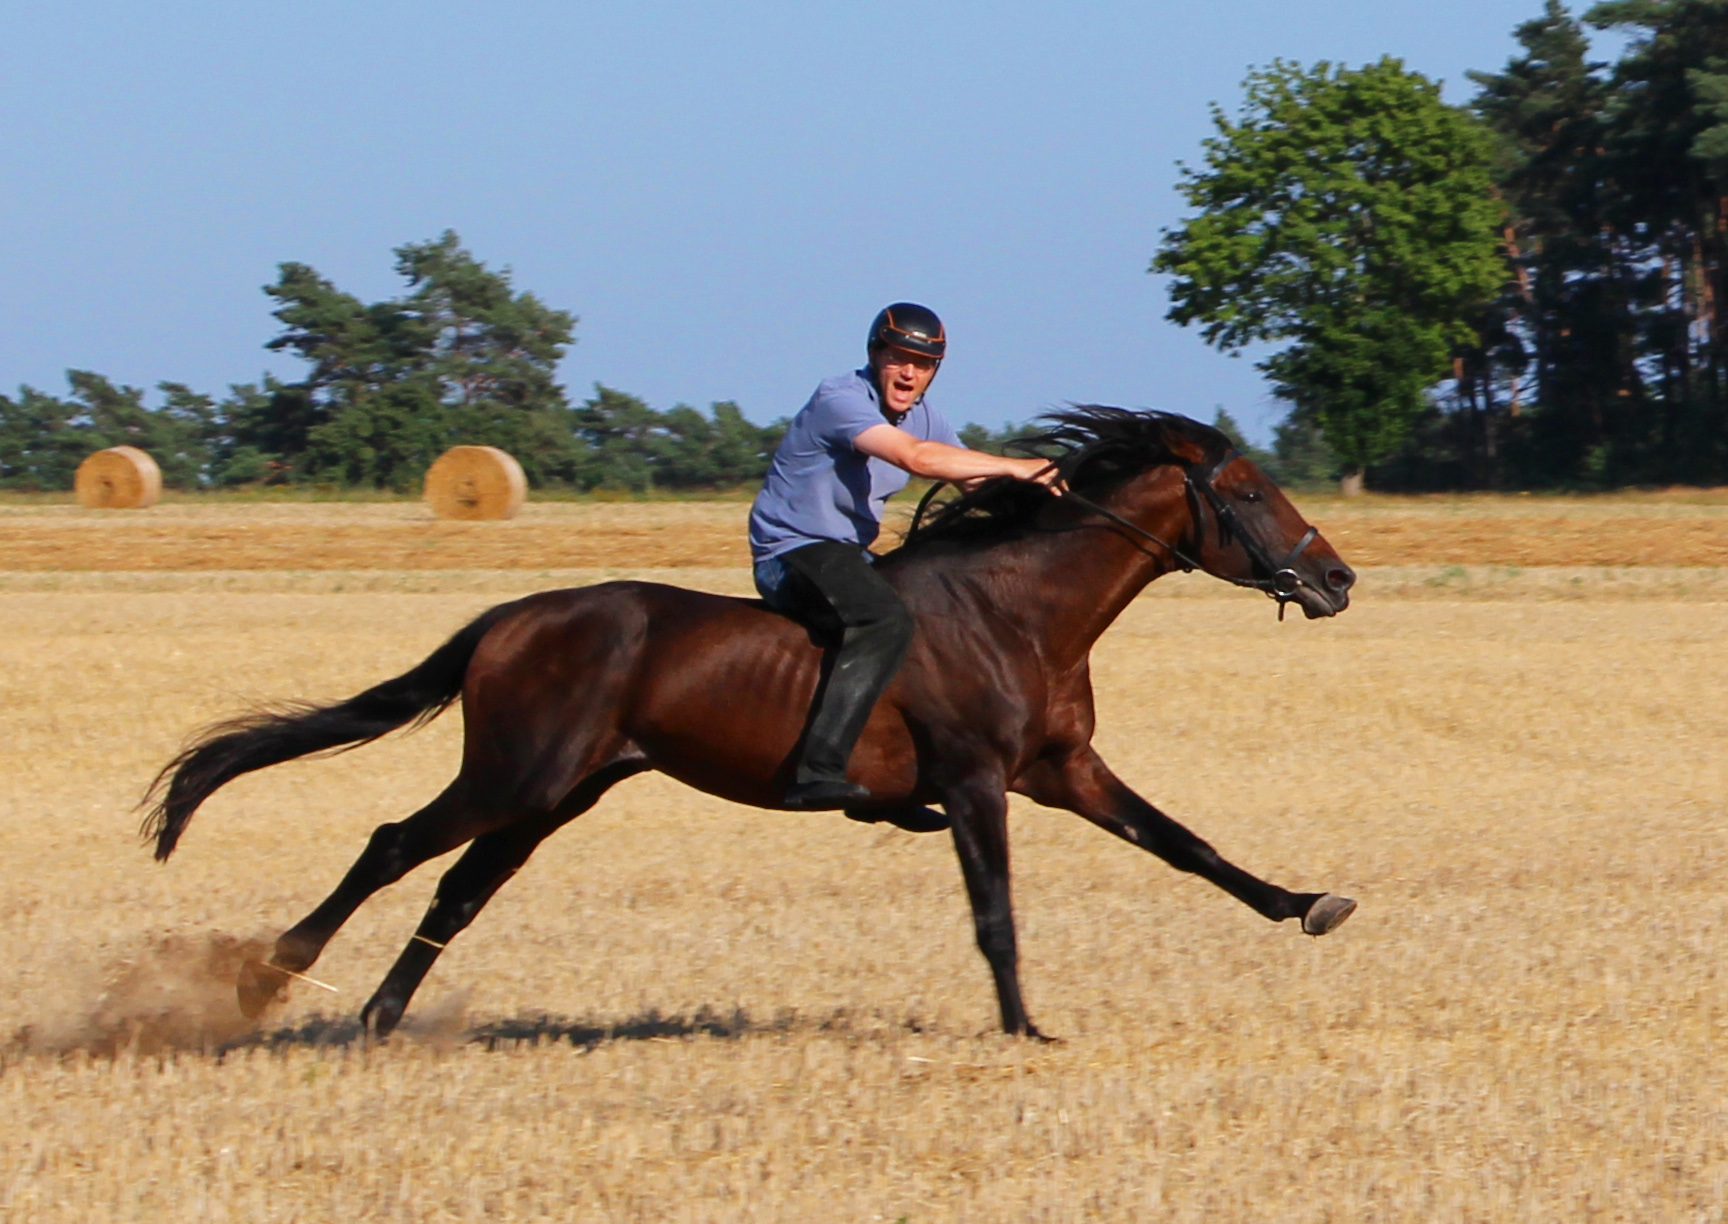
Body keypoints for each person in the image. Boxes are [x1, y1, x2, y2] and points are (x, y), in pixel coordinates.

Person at [749, 303, 1060, 809]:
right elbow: (916, 458)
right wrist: (1019, 466)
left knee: (933, 628)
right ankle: (817, 769)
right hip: (792, 552)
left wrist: (1053, 505)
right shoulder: (841, 399)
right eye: (899, 358)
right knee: (883, 619)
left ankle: (885, 778)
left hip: (849, 553)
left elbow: (970, 480)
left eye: (924, 363)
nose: (910, 371)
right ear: (876, 355)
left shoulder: (924, 415)